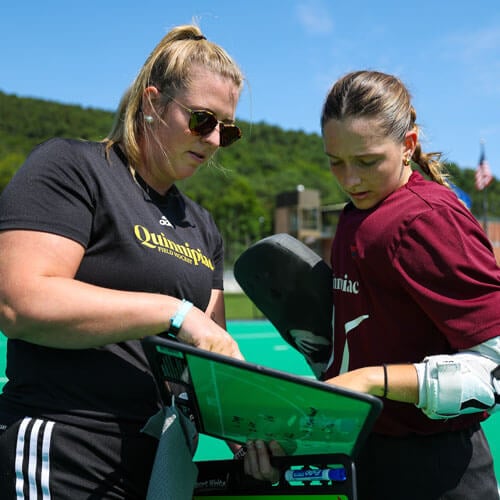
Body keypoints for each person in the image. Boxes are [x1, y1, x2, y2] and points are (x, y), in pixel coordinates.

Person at [0, 24, 245, 499]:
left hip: (160, 467)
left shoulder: (202, 225)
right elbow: (19, 301)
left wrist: (255, 430)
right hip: (65, 449)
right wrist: (171, 312)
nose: (214, 140)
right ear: (153, 104)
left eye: (227, 129)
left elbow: (214, 360)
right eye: (202, 120)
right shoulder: (73, 167)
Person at [244, 70, 500, 499]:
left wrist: (372, 380)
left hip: (438, 473)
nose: (350, 180)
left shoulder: (429, 219)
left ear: (408, 146)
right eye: (335, 161)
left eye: (366, 161)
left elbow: (492, 370)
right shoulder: (354, 216)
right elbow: (352, 351)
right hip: (367, 458)